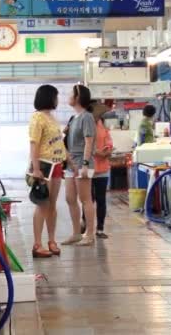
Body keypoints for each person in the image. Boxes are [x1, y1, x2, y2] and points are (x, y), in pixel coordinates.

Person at [28, 85, 67, 258]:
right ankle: (37, 244)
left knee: (52, 205)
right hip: (43, 166)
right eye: (56, 96)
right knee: (42, 204)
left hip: (57, 165)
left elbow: (57, 141)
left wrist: (67, 161)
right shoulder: (37, 117)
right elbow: (34, 143)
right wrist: (36, 168)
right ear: (49, 97)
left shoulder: (51, 117)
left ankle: (52, 240)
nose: (58, 100)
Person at [62, 84, 96, 246]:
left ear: (78, 97)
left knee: (85, 199)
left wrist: (85, 163)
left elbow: (89, 141)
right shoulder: (73, 118)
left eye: (71, 94)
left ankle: (90, 234)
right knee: (69, 198)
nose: (68, 96)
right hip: (71, 164)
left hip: (83, 163)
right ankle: (76, 232)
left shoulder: (87, 117)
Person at [89, 101, 113, 239]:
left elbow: (109, 141)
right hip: (89, 168)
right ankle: (87, 226)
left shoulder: (102, 124)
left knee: (101, 200)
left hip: (103, 168)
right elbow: (84, 145)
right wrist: (98, 152)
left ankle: (100, 228)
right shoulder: (86, 124)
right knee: (88, 200)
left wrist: (108, 150)